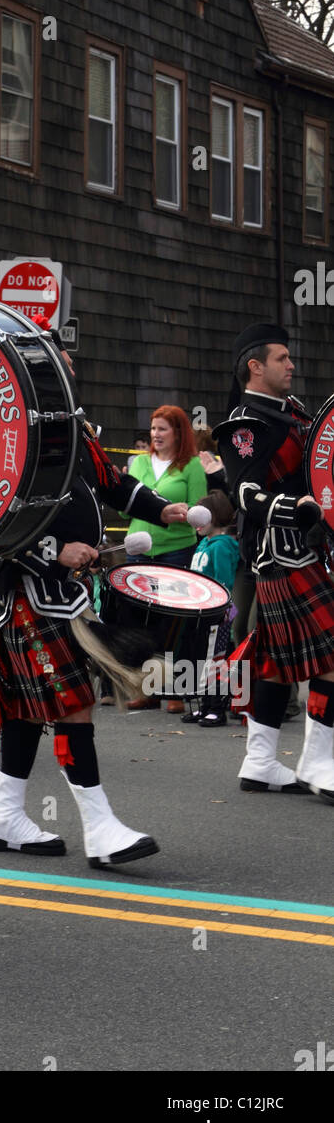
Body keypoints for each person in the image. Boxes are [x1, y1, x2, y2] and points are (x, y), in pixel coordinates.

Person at [0, 339, 189, 868]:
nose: (71, 370)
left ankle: (4, 816)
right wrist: (52, 548)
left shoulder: (69, 427)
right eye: (61, 364)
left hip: (62, 593)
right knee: (71, 705)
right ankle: (99, 828)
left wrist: (165, 511)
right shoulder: (6, 430)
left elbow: (112, 483)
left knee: (24, 711)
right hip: (26, 587)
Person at [214, 323, 334, 803]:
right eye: (282, 358)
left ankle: (260, 761)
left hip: (306, 548)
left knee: (274, 660)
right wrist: (297, 508)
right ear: (255, 366)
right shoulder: (245, 423)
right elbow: (243, 491)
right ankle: (319, 761)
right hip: (280, 552)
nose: (292, 364)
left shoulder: (294, 413)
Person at [124, 406, 208, 567]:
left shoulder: (193, 465)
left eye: (162, 429)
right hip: (137, 551)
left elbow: (198, 515)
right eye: (153, 428)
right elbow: (124, 513)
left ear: (177, 433)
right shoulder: (138, 462)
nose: (155, 434)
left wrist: (166, 508)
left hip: (178, 552)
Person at [185, 489, 241, 727]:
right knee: (201, 658)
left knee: (216, 660)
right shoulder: (203, 545)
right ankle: (204, 705)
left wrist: (223, 613)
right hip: (200, 613)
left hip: (219, 614)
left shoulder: (222, 546)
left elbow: (224, 582)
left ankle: (217, 707)